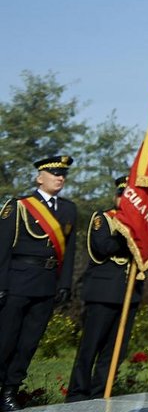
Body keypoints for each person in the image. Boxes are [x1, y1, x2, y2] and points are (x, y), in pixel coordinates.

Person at [0, 155, 78, 412]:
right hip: (17, 282)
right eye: (54, 173)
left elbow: (69, 252)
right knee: (5, 340)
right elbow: (2, 248)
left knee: (28, 344)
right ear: (39, 178)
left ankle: (10, 391)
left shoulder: (68, 209)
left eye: (63, 174)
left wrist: (64, 285)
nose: (60, 177)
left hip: (46, 285)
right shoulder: (19, 206)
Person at [66, 177, 144, 402]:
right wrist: (130, 237)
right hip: (103, 292)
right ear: (116, 197)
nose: (124, 200)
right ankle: (77, 393)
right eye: (121, 195)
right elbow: (103, 247)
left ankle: (101, 392)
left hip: (129, 294)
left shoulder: (141, 227)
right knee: (90, 346)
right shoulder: (103, 218)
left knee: (115, 350)